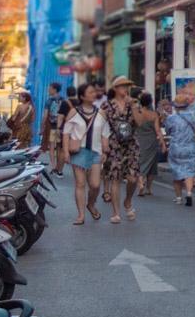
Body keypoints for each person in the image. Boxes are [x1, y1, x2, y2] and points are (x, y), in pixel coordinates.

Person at [63, 82, 107, 224]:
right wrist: (65, 152)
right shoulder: (74, 112)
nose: (94, 94)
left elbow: (105, 133)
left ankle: (91, 204)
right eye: (90, 92)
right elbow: (65, 133)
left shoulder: (100, 112)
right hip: (79, 151)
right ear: (82, 96)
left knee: (95, 185)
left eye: (94, 92)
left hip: (96, 152)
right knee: (80, 184)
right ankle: (81, 215)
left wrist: (105, 150)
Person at [101, 77, 142, 223]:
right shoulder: (107, 106)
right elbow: (102, 126)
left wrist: (133, 107)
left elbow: (139, 122)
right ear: (116, 89)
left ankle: (128, 201)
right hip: (114, 144)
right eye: (123, 86)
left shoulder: (134, 104)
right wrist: (103, 145)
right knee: (115, 178)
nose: (126, 89)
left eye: (127, 86)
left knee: (133, 178)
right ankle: (116, 212)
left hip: (131, 144)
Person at [162, 88, 195, 206]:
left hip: (176, 148)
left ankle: (178, 197)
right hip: (190, 147)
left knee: (177, 172)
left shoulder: (171, 118)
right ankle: (188, 193)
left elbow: (167, 131)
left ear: (176, 106)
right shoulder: (194, 116)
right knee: (189, 172)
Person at [133, 91, 163, 196]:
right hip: (152, 141)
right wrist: (163, 143)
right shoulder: (154, 114)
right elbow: (158, 130)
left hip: (139, 140)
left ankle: (140, 183)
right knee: (152, 166)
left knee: (140, 163)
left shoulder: (137, 112)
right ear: (151, 102)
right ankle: (149, 188)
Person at [43, 83, 70, 175]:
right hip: (62, 127)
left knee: (51, 147)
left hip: (53, 126)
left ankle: (54, 167)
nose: (48, 90)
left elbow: (45, 116)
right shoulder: (64, 100)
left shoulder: (49, 101)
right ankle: (59, 168)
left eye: (50, 88)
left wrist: (42, 127)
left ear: (54, 89)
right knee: (59, 147)